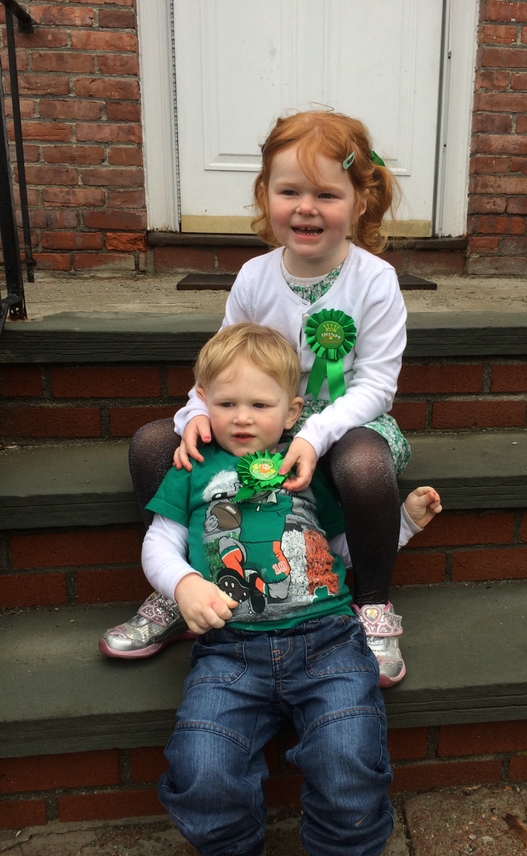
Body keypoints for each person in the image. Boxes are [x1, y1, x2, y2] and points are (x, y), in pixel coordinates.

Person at [101, 109, 413, 686]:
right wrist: (197, 413)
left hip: (344, 427)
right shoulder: (253, 277)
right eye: (289, 190)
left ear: (360, 200)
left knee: (366, 467)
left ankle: (372, 605)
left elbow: (375, 384)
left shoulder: (375, 280)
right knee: (152, 446)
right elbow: (219, 367)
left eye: (327, 192)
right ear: (265, 194)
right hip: (257, 421)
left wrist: (316, 433)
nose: (306, 207)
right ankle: (184, 583)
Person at [143, 323, 441, 856]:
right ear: (202, 403)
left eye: (259, 404)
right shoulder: (191, 470)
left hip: (329, 643)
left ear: (292, 411)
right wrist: (184, 583)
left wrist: (405, 524)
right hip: (228, 654)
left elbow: (344, 549)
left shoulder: (304, 469)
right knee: (202, 768)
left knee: (348, 761)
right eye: (227, 402)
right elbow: (159, 543)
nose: (241, 417)